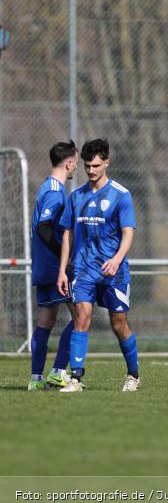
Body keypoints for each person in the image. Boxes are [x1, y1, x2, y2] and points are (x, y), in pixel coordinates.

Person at [56, 138, 139, 393]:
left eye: (95, 165)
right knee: (81, 318)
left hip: (113, 272)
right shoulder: (76, 196)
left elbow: (128, 233)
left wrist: (116, 259)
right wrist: (62, 270)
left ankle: (133, 374)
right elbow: (67, 234)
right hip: (84, 269)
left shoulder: (121, 195)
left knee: (119, 325)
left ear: (107, 163)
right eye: (87, 166)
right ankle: (76, 378)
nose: (91, 171)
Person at [28, 141, 79, 390]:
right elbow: (44, 227)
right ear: (69, 163)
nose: (75, 170)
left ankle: (36, 380)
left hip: (43, 266)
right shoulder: (54, 191)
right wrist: (65, 256)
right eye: (76, 165)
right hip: (54, 268)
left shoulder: (46, 187)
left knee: (46, 321)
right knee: (81, 315)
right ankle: (58, 371)